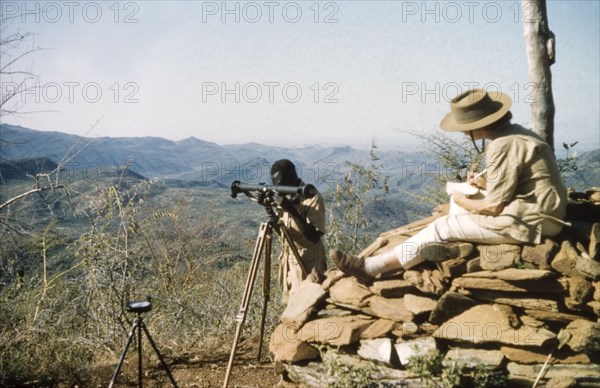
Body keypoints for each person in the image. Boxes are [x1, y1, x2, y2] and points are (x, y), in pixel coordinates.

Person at [331, 88, 568, 283]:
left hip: (534, 221)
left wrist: (460, 198)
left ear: (477, 124)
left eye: (464, 126)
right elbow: (517, 183)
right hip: (542, 213)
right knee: (460, 208)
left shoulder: (502, 145)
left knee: (442, 225)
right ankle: (452, 245)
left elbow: (494, 206)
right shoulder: (516, 135)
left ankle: (371, 267)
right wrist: (485, 183)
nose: (463, 132)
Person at [269, 159, 327, 301]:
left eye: (280, 182)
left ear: (291, 177)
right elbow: (284, 233)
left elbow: (314, 237)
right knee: (292, 305)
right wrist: (269, 209)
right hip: (290, 260)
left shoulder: (312, 197)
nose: (277, 187)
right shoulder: (285, 196)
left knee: (308, 305)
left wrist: (291, 210)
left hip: (308, 262)